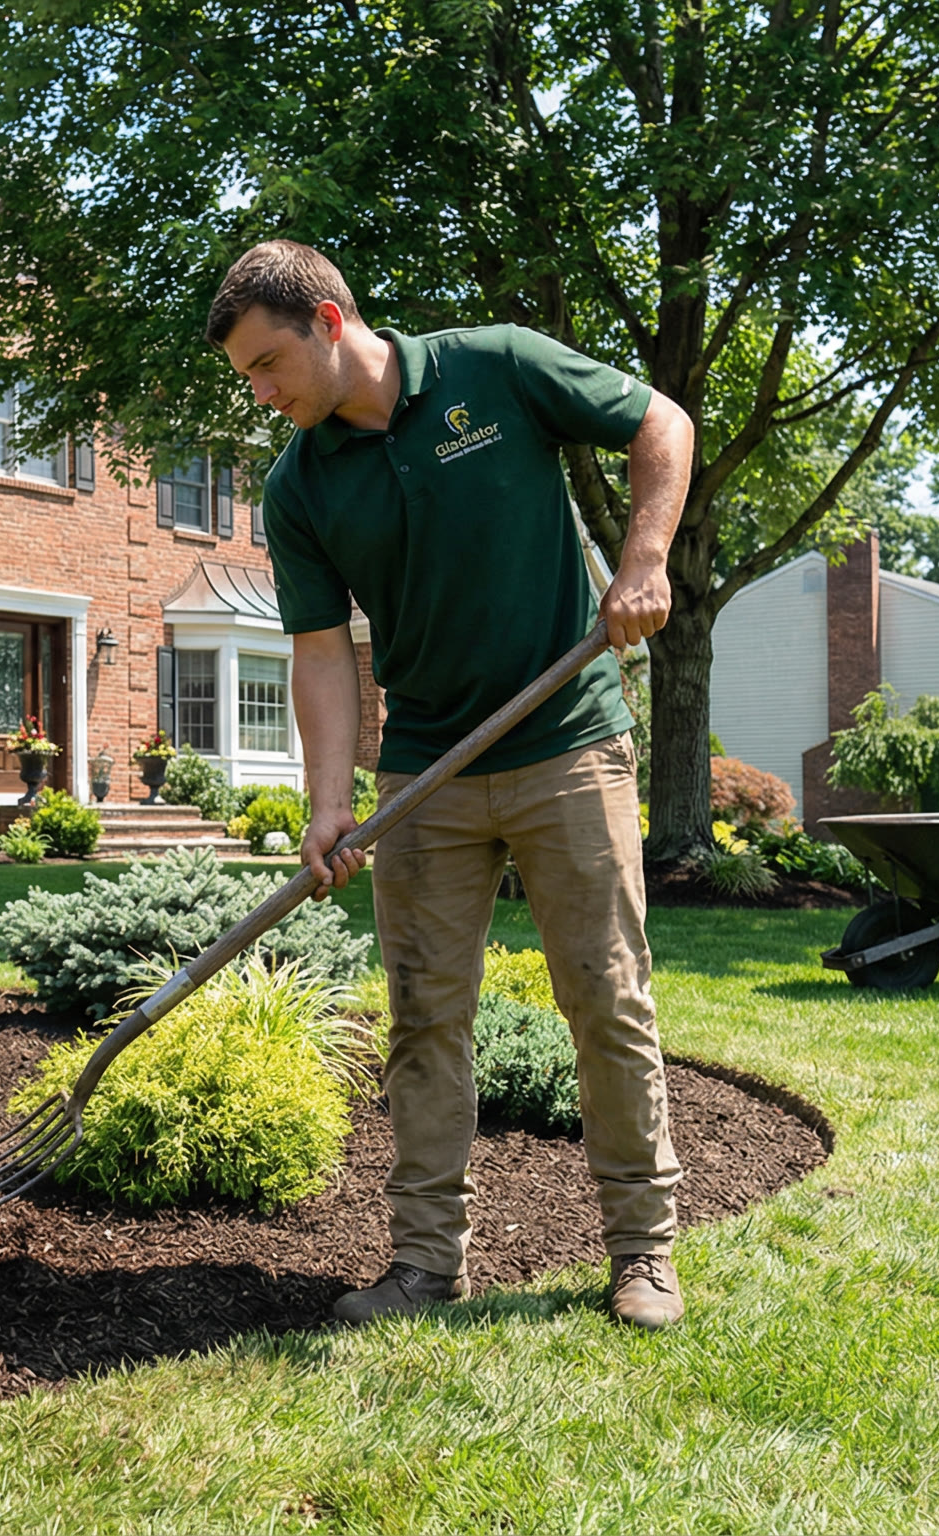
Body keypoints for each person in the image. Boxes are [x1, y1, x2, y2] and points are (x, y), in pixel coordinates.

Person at [209, 241, 697, 1329]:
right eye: (245, 375)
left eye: (266, 363)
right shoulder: (300, 486)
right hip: (425, 770)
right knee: (424, 1019)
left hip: (565, 739)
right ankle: (425, 1264)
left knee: (604, 998)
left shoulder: (497, 367)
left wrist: (645, 557)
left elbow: (661, 421)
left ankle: (643, 1252)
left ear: (329, 323)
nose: (260, 391)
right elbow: (323, 651)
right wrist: (329, 800)